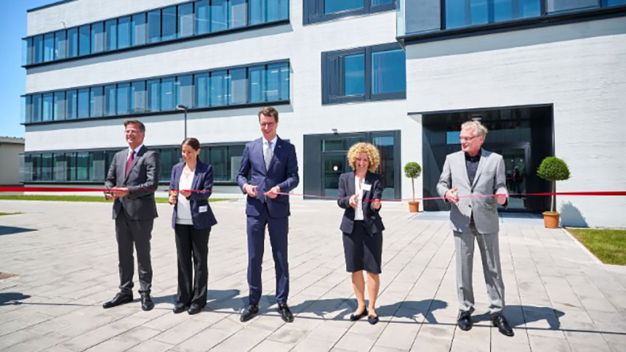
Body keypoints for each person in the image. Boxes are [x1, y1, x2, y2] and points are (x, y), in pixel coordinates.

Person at [436, 120, 514, 337]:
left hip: (486, 220)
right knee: (463, 268)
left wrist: (502, 195)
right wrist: (446, 193)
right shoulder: (451, 159)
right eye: (461, 138)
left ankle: (497, 312)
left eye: (467, 138)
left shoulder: (495, 160)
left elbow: (500, 185)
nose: (462, 141)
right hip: (461, 220)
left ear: (480, 139)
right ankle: (464, 310)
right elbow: (441, 183)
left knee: (493, 268)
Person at [237, 107, 299, 323]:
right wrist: (246, 187)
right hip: (254, 209)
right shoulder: (250, 147)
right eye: (263, 124)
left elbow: (294, 178)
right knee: (254, 257)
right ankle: (253, 302)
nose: (266, 128)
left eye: (270, 124)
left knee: (281, 257)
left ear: (277, 123)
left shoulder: (288, 148)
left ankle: (282, 302)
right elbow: (240, 175)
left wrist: (280, 188)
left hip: (278, 210)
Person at [103, 120, 161, 311]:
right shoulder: (119, 156)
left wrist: (128, 191)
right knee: (124, 254)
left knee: (143, 254)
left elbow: (152, 184)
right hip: (120, 212)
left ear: (142, 134)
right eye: (127, 131)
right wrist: (109, 190)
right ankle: (125, 291)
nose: (129, 134)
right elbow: (109, 179)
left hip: (141, 214)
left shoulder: (150, 155)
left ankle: (145, 292)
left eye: (133, 131)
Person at [168, 138, 217, 315]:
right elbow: (172, 188)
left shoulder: (206, 169)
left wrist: (191, 195)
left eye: (189, 151)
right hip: (180, 220)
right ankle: (183, 299)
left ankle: (198, 300)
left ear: (198, 151)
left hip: (199, 222)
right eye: (183, 151)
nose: (185, 155)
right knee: (182, 261)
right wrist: (171, 197)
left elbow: (207, 192)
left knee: (200, 261)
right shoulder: (176, 169)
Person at [337, 143, 385, 325]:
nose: (362, 163)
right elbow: (340, 201)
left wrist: (376, 204)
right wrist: (348, 200)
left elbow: (377, 199)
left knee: (372, 268)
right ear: (354, 159)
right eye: (359, 159)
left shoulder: (376, 179)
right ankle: (360, 306)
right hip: (350, 229)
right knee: (355, 267)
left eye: (366, 160)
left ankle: (372, 308)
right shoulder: (345, 178)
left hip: (370, 228)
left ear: (370, 161)